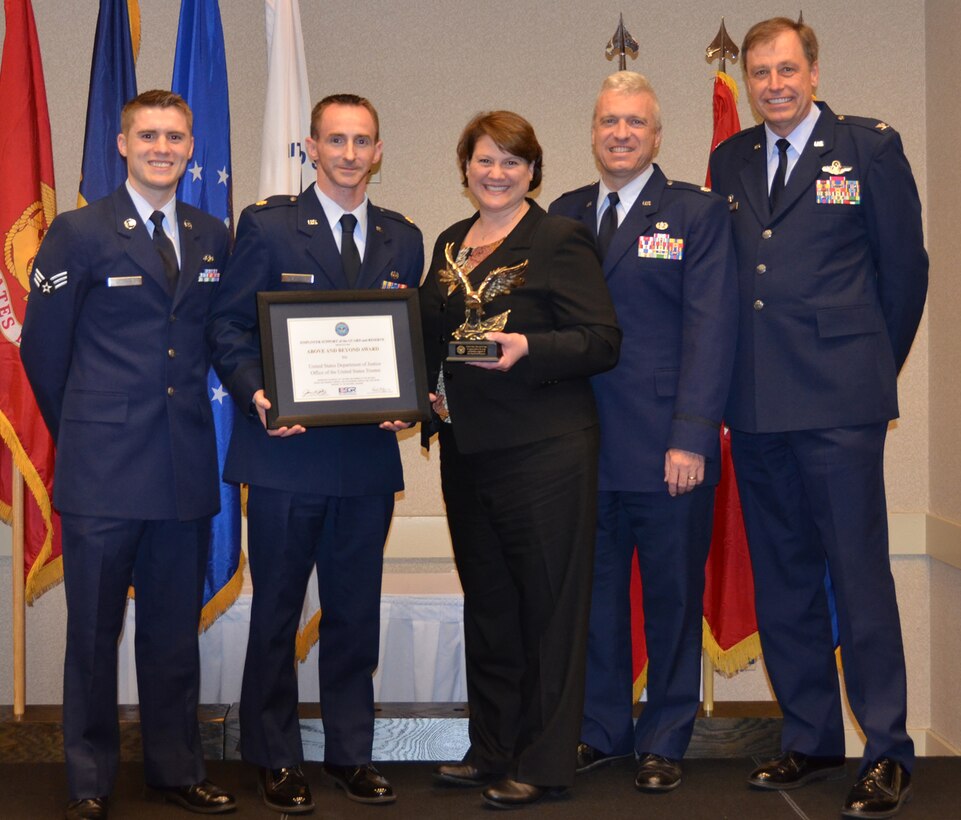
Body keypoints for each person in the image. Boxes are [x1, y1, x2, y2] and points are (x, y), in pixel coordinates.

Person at [708, 17, 927, 819]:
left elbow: (904, 272)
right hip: (757, 404)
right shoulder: (730, 158)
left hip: (839, 406)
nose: (772, 84)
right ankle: (807, 736)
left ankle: (888, 750)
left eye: (785, 69)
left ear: (812, 69)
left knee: (858, 577)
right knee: (784, 580)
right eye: (759, 71)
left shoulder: (866, 148)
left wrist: (866, 367)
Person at [21, 90, 235, 820]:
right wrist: (87, 426)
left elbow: (216, 337)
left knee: (174, 634)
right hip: (103, 471)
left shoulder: (212, 234)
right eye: (148, 135)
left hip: (181, 468)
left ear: (189, 145)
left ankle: (177, 769)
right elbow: (44, 352)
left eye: (175, 136)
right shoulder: (78, 234)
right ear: (121, 144)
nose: (162, 148)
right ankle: (88, 779)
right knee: (92, 634)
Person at [207, 93, 423, 812]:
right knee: (275, 612)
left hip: (364, 460)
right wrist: (257, 394)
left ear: (379, 150)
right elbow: (229, 328)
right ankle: (273, 754)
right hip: (284, 456)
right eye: (337, 140)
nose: (350, 154)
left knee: (355, 614)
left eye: (363, 140)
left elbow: (408, 343)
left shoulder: (403, 238)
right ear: (312, 146)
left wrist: (409, 403)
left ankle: (349, 754)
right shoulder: (269, 228)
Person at [421, 110, 621, 809]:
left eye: (510, 161)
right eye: (483, 160)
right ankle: (492, 749)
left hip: (545, 454)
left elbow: (601, 341)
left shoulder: (559, 240)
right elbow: (427, 341)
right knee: (491, 610)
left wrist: (530, 348)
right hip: (467, 454)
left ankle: (543, 762)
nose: (495, 173)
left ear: (532, 171)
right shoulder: (450, 245)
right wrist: (410, 393)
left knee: (549, 612)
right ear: (465, 168)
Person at [550, 71, 737, 792]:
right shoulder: (562, 215)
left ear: (656, 136)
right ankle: (600, 730)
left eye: (633, 122)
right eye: (607, 122)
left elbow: (712, 327)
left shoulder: (693, 212)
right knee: (594, 601)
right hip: (578, 447)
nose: (619, 134)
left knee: (669, 601)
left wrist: (690, 435)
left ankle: (664, 735)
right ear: (592, 133)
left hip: (667, 450)